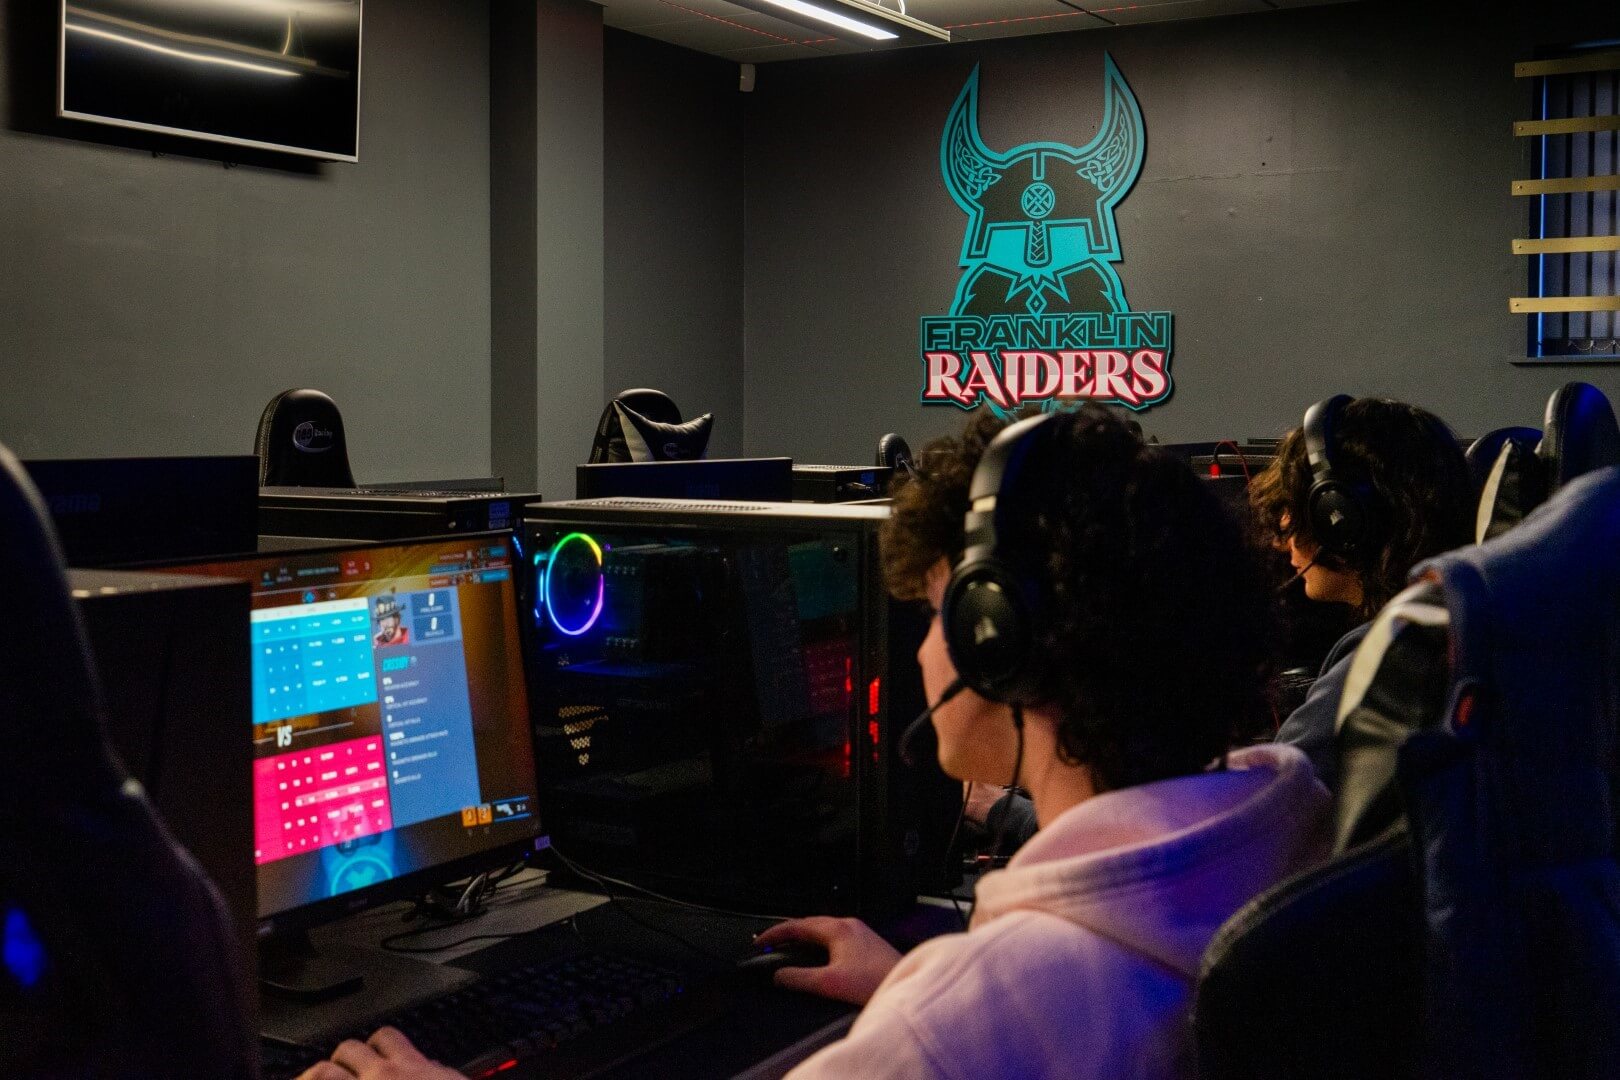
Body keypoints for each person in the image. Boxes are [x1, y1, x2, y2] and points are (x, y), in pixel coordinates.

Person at [294, 406, 1329, 1080]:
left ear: (1000, 644)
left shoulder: (965, 1025)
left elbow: (997, 1025)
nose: (919, 653)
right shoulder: (1283, 838)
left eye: (933, 614)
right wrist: (912, 980)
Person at [1245, 395, 1474, 791]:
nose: (1283, 540)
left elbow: (1265, 801)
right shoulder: (1453, 620)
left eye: (1294, 509)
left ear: (1341, 519)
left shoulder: (1389, 657)